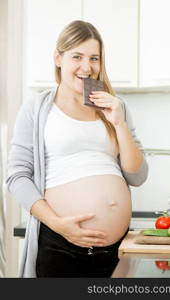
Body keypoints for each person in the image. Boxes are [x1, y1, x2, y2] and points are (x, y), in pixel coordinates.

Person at [6, 20, 148, 278]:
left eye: (94, 58)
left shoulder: (116, 107)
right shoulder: (37, 107)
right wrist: (58, 224)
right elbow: (17, 177)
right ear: (58, 58)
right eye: (77, 56)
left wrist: (119, 123)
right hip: (60, 245)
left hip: (115, 251)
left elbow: (137, 176)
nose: (87, 67)